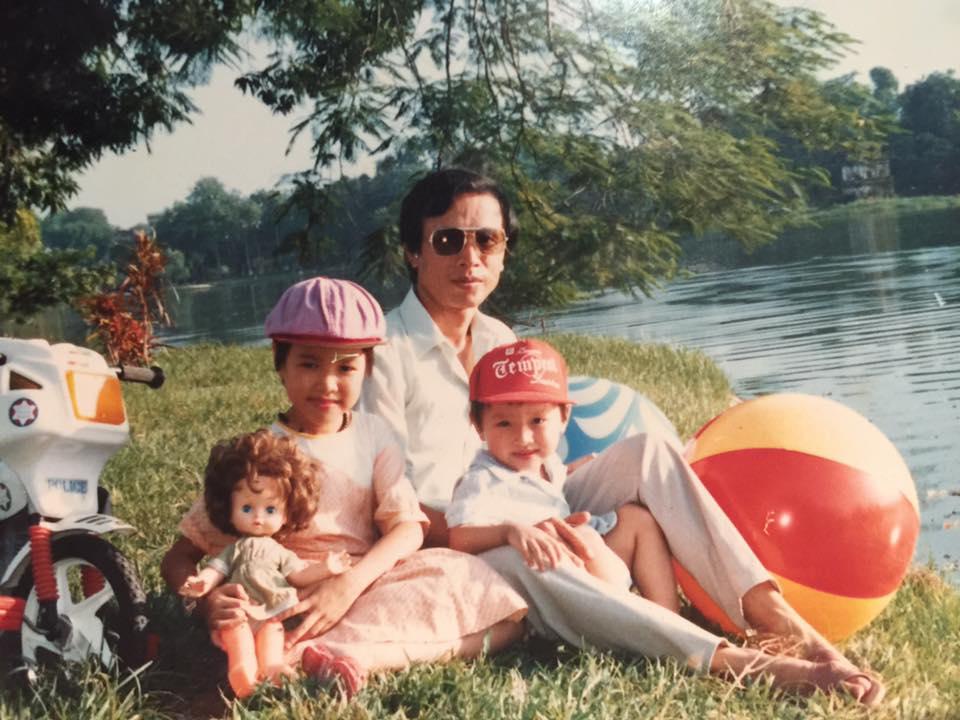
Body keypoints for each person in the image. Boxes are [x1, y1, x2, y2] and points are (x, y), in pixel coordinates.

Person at [360, 167, 885, 704]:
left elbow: (526, 458)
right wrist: (507, 530)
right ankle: (737, 663)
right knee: (533, 557)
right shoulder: (384, 353)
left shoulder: (499, 339)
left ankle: (776, 619)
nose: (470, 258)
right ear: (413, 252)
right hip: (458, 542)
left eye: (487, 240)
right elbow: (391, 507)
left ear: (503, 252)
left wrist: (566, 484)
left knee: (648, 453)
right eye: (449, 241)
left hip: (527, 503)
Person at [161, 276, 527, 698]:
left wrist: (349, 584)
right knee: (279, 624)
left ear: (367, 368)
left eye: (345, 368)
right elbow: (180, 556)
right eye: (309, 364)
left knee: (497, 607)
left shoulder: (374, 435)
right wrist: (204, 603)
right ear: (280, 364)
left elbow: (407, 527)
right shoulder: (260, 454)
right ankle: (318, 654)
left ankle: (351, 656)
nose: (328, 384)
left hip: (360, 585)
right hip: (286, 600)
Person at [447, 338, 679, 611]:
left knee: (638, 520)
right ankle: (629, 619)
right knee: (584, 536)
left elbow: (549, 483)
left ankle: (669, 614)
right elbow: (459, 538)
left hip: (582, 564)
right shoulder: (481, 480)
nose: (523, 438)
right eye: (504, 423)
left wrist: (575, 469)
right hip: (546, 576)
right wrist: (509, 532)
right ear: (478, 425)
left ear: (564, 417)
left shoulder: (547, 464)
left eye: (537, 421)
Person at [178, 429, 329, 696]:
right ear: (229, 509)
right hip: (240, 611)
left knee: (272, 640)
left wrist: (327, 568)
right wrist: (202, 584)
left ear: (287, 514)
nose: (258, 518)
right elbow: (216, 569)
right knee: (240, 642)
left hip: (271, 612)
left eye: (270, 509)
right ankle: (243, 676)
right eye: (247, 508)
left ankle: (274, 670)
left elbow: (298, 576)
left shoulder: (279, 552)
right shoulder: (236, 549)